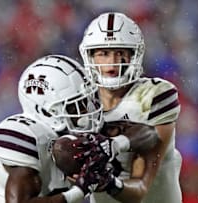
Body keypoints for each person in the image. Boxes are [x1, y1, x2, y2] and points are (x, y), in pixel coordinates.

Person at [78, 12, 183, 203]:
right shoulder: (80, 103)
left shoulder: (153, 95)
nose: (112, 62)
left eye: (120, 52)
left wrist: (107, 180)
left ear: (134, 55)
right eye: (104, 53)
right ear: (90, 56)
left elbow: (139, 189)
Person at [0, 54, 105, 203]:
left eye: (85, 102)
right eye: (75, 106)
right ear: (46, 110)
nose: (85, 111)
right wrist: (79, 191)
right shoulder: (25, 134)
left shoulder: (77, 141)